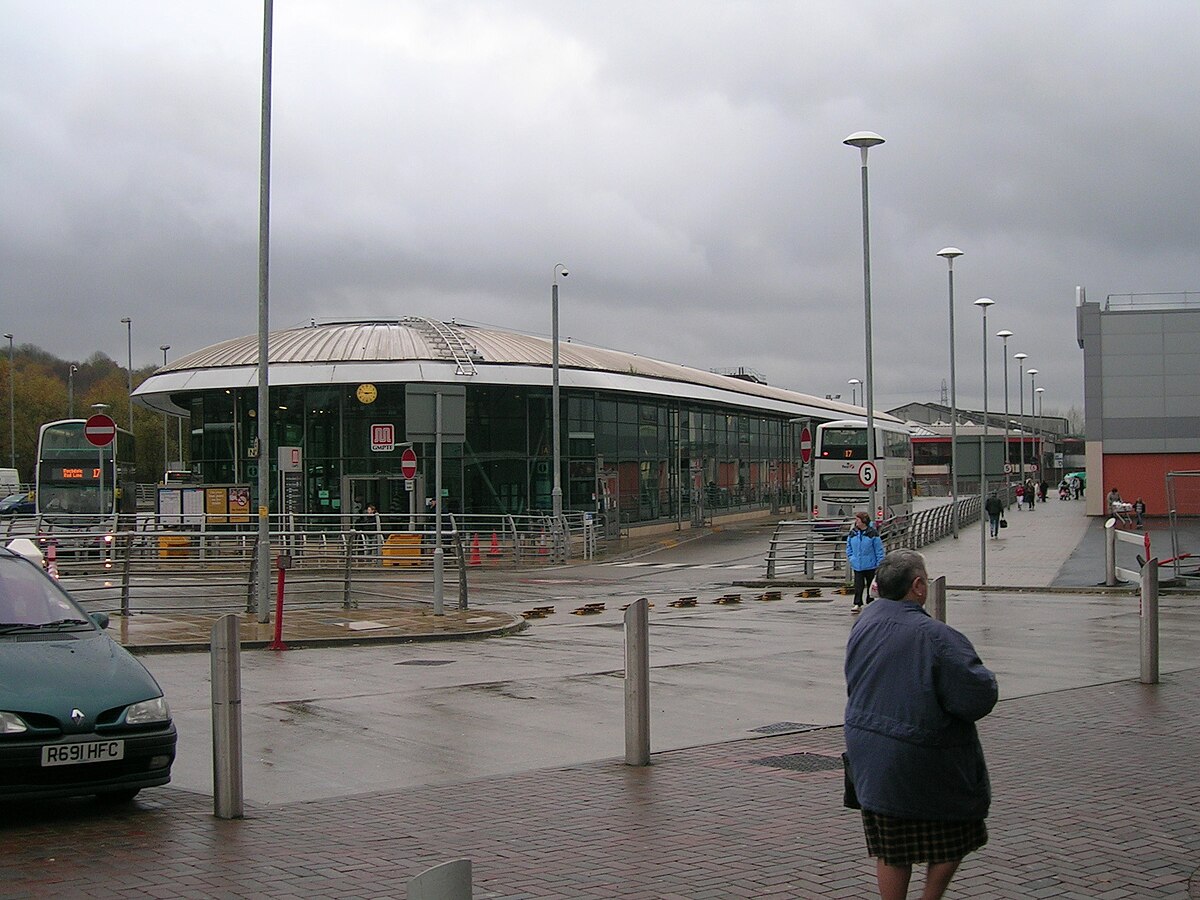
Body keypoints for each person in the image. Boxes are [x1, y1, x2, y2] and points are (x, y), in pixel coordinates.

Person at [844, 549, 998, 900]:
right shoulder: (937, 636)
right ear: (917, 587)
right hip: (922, 758)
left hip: (870, 752)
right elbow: (975, 697)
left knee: (891, 847)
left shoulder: (864, 623)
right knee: (959, 830)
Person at [846, 511, 885, 615]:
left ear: (863, 521)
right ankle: (857, 603)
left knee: (870, 585)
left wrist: (879, 563)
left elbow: (879, 550)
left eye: (858, 520)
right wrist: (851, 558)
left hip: (870, 564)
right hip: (857, 564)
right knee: (858, 585)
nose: (856, 522)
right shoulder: (853, 533)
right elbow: (848, 547)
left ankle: (870, 602)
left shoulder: (873, 534)